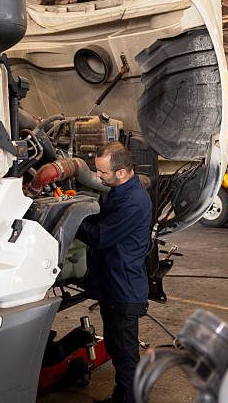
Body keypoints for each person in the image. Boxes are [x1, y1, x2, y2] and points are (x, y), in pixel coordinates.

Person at [76, 141, 152, 403]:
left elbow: (101, 236)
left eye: (102, 172)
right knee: (118, 350)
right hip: (114, 287)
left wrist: (73, 219)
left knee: (126, 356)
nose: (97, 176)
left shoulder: (132, 201)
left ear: (121, 172)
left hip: (124, 290)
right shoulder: (121, 191)